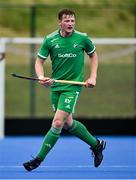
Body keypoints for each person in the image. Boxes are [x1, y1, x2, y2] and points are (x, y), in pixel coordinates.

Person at [23, 8, 106, 172]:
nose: (70, 24)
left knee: (58, 122)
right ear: (60, 22)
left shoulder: (82, 38)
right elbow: (39, 62)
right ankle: (96, 145)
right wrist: (41, 78)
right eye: (67, 21)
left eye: (73, 21)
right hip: (56, 86)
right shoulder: (50, 39)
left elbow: (94, 56)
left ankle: (38, 159)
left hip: (73, 87)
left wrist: (93, 76)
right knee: (68, 124)